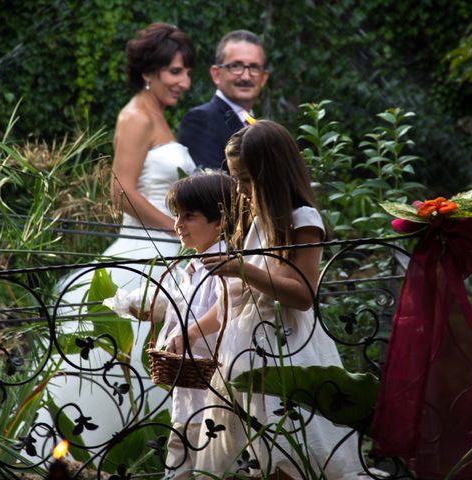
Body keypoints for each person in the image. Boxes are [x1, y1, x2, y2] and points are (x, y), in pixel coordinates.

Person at [168, 120, 362, 479]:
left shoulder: (302, 219)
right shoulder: (256, 221)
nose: (239, 190)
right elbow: (236, 299)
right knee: (250, 454)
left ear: (271, 174)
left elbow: (303, 294)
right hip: (242, 352)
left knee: (286, 448)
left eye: (245, 180)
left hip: (285, 351)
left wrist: (244, 269)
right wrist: (193, 332)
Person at [39, 23, 198, 459]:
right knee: (115, 363)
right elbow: (121, 190)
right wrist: (173, 226)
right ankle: (89, 454)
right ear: (149, 71)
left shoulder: (160, 115)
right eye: (176, 72)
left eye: (186, 73)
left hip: (169, 252)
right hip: (141, 251)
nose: (185, 83)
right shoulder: (135, 116)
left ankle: (153, 455)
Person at [155, 173, 235, 480]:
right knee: (180, 456)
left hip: (214, 385)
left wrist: (189, 334)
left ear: (219, 220)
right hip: (189, 386)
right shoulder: (194, 265)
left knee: (210, 464)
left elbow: (227, 306)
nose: (179, 225)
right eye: (176, 215)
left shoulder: (225, 262)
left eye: (189, 216)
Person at [177, 30, 269, 171]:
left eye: (254, 67)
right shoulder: (200, 120)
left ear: (263, 78)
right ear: (216, 74)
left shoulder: (261, 127)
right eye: (236, 66)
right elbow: (209, 189)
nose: (245, 77)